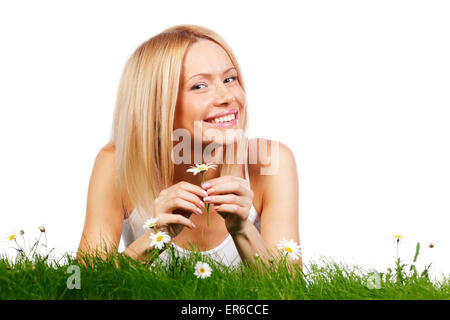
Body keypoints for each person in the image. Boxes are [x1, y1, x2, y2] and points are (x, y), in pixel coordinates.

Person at [76, 24, 301, 270]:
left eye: (230, 79)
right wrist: (156, 236)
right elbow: (84, 285)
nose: (227, 96)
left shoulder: (270, 162)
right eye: (199, 86)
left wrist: (242, 228)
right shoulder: (115, 164)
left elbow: (289, 291)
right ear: (156, 107)